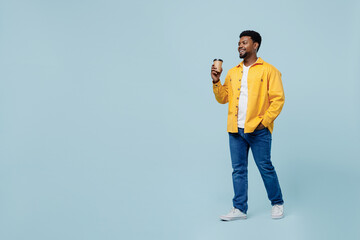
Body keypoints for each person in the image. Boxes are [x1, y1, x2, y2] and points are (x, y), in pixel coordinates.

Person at [211, 30, 285, 220]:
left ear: (255, 45)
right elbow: (223, 98)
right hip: (235, 129)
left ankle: (277, 203)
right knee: (238, 170)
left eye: (244, 43)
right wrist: (216, 81)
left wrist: (264, 122)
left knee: (265, 167)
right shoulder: (233, 72)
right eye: (239, 43)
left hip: (258, 130)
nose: (240, 46)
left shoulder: (269, 70)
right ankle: (240, 209)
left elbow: (278, 100)